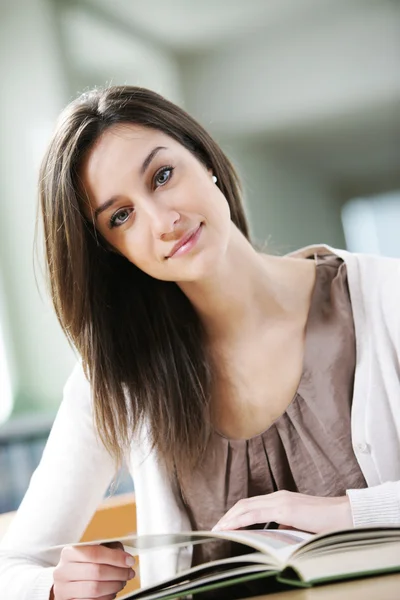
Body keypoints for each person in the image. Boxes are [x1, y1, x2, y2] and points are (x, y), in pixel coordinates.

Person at [0, 85, 399, 600]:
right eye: (121, 217)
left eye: (162, 176)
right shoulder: (119, 376)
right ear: (112, 253)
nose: (164, 222)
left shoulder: (385, 297)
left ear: (204, 157)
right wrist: (53, 590)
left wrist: (349, 514)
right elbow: (11, 565)